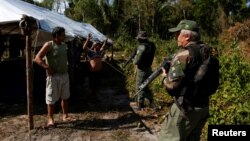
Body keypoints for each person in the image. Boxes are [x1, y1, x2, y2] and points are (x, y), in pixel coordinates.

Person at [158, 20, 218, 141]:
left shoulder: (183, 55)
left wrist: (164, 76)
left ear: (187, 36)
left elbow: (171, 87)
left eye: (177, 34)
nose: (176, 37)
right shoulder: (208, 52)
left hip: (185, 109)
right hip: (203, 107)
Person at [33, 26, 76, 127]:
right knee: (51, 98)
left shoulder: (64, 45)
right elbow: (37, 58)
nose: (64, 36)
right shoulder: (49, 45)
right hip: (53, 76)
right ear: (57, 35)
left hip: (64, 75)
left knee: (65, 97)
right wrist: (46, 67)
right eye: (63, 34)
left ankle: (65, 116)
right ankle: (50, 119)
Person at [133, 31, 157, 111]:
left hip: (142, 70)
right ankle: (152, 103)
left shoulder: (141, 47)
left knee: (139, 87)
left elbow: (136, 61)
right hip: (149, 68)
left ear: (140, 39)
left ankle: (140, 104)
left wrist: (134, 59)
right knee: (145, 86)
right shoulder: (152, 45)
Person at [82, 33, 108, 103]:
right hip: (93, 73)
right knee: (92, 86)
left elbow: (104, 46)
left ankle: (94, 97)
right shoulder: (91, 52)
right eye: (97, 45)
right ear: (94, 46)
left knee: (97, 86)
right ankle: (91, 98)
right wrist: (88, 39)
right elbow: (84, 48)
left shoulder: (99, 52)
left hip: (99, 72)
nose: (98, 47)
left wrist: (105, 40)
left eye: (99, 46)